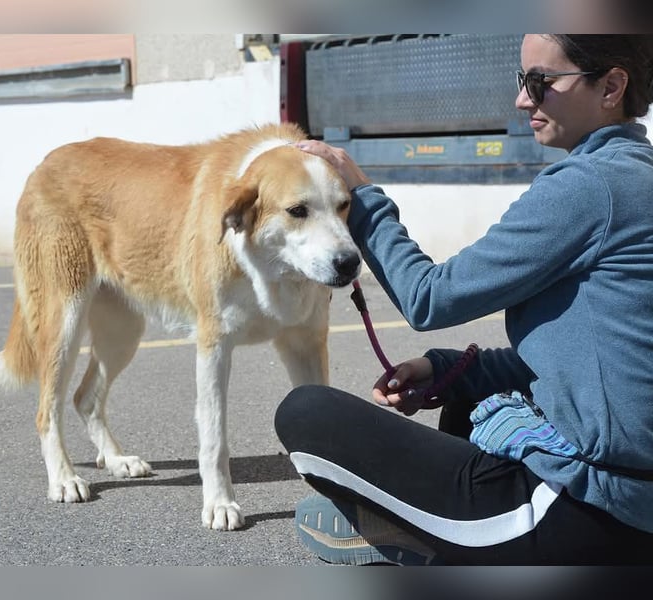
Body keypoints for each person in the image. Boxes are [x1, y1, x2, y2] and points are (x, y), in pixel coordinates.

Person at [275, 34, 653, 565]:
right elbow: (597, 367)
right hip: (634, 502)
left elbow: (429, 298)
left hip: (595, 509)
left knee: (306, 411)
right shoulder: (637, 175)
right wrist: (445, 368)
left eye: (541, 82)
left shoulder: (591, 188)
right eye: (523, 81)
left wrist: (361, 198)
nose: (524, 99)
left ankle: (427, 541)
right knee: (469, 396)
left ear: (612, 86)